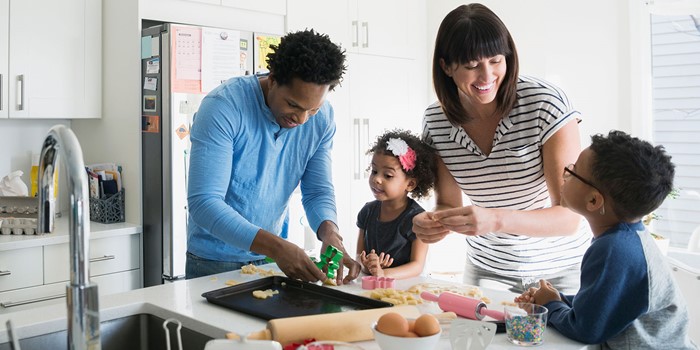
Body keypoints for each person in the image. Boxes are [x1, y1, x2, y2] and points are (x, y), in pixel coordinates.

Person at [413, 3, 591, 293]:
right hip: (487, 270)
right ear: (446, 66)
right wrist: (433, 222)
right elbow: (448, 203)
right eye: (471, 66)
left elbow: (569, 216)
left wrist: (495, 218)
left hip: (561, 270)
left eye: (496, 60)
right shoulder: (436, 121)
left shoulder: (545, 105)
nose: (486, 77)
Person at [186, 29, 361, 284]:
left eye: (313, 109)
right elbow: (205, 203)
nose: (301, 119)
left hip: (272, 259)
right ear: (274, 78)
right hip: (214, 261)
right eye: (293, 105)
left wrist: (330, 233)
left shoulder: (322, 119)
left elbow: (317, 192)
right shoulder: (223, 106)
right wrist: (277, 247)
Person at [514, 130, 696, 349]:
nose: (565, 175)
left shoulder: (613, 250)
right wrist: (558, 299)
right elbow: (608, 302)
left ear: (593, 200)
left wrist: (550, 305)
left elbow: (586, 329)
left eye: (573, 171)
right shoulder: (627, 238)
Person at [356, 130, 437, 279]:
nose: (377, 179)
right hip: (373, 286)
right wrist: (368, 265)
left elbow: (417, 266)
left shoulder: (418, 219)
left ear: (410, 184)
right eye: (374, 171)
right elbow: (359, 256)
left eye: (388, 175)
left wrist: (384, 273)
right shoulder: (366, 212)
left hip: (406, 288)